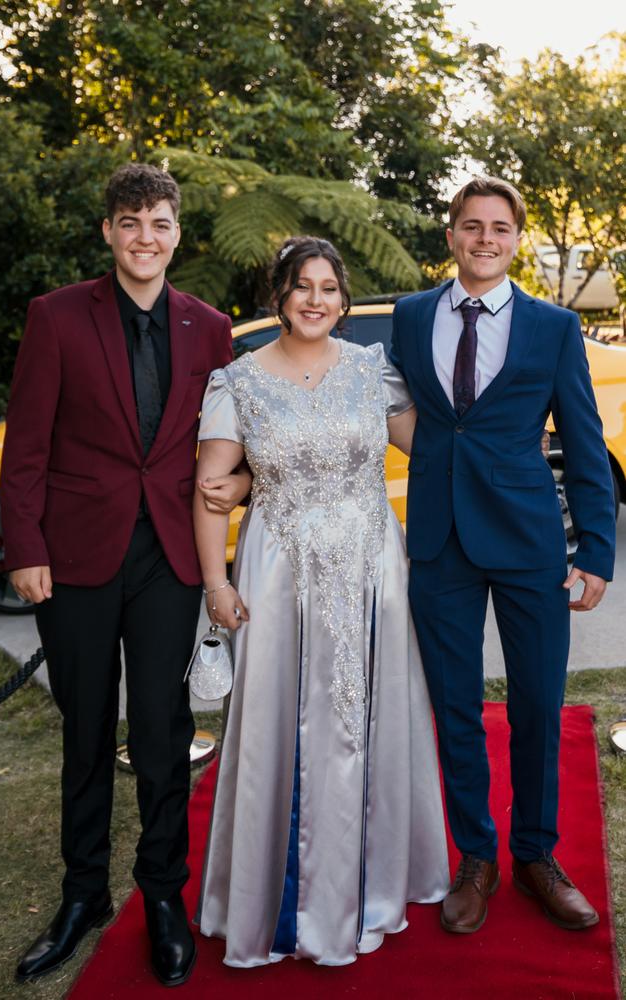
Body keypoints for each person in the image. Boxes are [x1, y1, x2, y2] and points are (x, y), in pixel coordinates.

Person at [0, 163, 249, 986]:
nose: (147, 237)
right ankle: (82, 894)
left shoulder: (209, 327)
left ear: (179, 233)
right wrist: (26, 546)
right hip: (73, 555)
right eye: (131, 222)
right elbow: (26, 445)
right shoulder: (57, 316)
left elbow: (235, 441)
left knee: (162, 730)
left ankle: (162, 893)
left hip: (172, 556)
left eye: (161, 223)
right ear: (108, 231)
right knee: (84, 729)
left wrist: (241, 483)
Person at [192, 236, 450, 967]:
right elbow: (211, 492)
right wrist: (217, 583)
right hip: (279, 573)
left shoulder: (374, 373)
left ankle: (373, 885)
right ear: (279, 296)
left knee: (374, 719)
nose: (316, 299)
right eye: (302, 286)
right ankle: (280, 904)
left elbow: (433, 449)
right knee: (282, 728)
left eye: (329, 288)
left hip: (373, 569)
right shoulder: (236, 382)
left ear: (343, 298)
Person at [390, 176, 616, 935]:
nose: (485, 239)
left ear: (515, 240)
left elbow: (584, 441)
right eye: (471, 226)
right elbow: (374, 412)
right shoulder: (413, 315)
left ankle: (537, 857)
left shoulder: (552, 327)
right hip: (440, 542)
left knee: (537, 709)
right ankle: (476, 857)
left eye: (499, 228)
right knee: (454, 710)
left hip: (528, 544)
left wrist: (597, 551)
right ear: (450, 235)